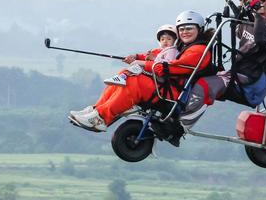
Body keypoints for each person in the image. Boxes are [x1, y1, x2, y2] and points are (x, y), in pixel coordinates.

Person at [69, 11, 214, 132]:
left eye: (189, 28)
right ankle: (96, 110)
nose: (185, 32)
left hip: (172, 94)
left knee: (134, 82)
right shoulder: (186, 46)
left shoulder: (198, 50)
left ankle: (101, 116)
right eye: (181, 28)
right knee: (125, 74)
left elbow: (167, 68)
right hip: (168, 88)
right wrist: (137, 57)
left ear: (199, 29)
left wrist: (143, 63)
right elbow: (161, 54)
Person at [180, 0, 266, 130]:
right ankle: (174, 112)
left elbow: (261, 39)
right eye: (260, 2)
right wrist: (242, 1)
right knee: (194, 76)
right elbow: (237, 25)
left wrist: (259, 16)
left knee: (205, 85)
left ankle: (181, 126)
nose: (263, 6)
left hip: (252, 83)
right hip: (236, 75)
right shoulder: (250, 25)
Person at [103, 24, 178, 87]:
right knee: (137, 66)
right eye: (162, 39)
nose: (165, 41)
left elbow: (168, 65)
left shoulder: (171, 51)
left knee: (138, 66)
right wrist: (146, 58)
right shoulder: (162, 51)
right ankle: (122, 77)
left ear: (174, 41)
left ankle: (122, 77)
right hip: (158, 75)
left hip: (162, 78)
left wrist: (154, 59)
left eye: (169, 39)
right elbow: (143, 56)